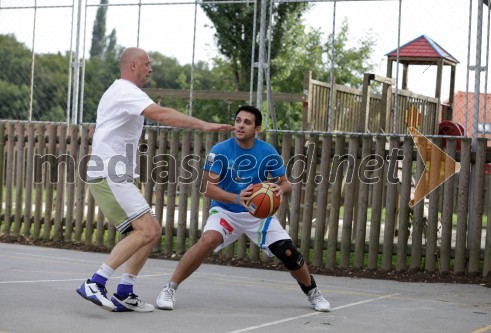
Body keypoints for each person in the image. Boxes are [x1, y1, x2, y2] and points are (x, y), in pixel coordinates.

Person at [76, 47, 233, 312]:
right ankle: (96, 282)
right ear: (134, 64)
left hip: (114, 173)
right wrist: (203, 124)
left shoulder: (124, 91)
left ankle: (125, 291)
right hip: (110, 173)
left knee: (149, 232)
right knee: (147, 230)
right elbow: (161, 114)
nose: (150, 69)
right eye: (148, 64)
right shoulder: (125, 90)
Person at [155, 105, 331, 312]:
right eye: (238, 120)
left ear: (257, 129)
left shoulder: (267, 151)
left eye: (247, 122)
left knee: (288, 252)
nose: (240, 125)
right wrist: (237, 198)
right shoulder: (220, 151)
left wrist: (279, 189)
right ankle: (169, 289)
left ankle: (313, 292)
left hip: (257, 213)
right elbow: (208, 188)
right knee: (208, 240)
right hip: (225, 211)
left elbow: (286, 183)